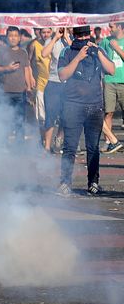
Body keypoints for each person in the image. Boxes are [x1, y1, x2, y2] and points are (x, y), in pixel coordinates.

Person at [56, 25, 115, 196]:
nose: (83, 40)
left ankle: (93, 182)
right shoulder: (67, 52)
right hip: (72, 105)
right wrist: (79, 58)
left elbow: (111, 70)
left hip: (94, 106)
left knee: (93, 148)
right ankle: (65, 182)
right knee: (70, 147)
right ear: (74, 36)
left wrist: (98, 53)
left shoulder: (97, 50)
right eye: (80, 37)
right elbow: (62, 75)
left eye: (86, 36)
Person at [0, 27, 34, 144]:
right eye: (10, 35)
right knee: (5, 119)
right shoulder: (1, 52)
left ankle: (19, 146)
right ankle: (3, 144)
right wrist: (6, 68)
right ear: (7, 37)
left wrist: (29, 87)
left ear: (19, 38)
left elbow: (26, 70)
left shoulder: (23, 53)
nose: (13, 38)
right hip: (5, 91)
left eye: (15, 35)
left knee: (19, 120)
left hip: (20, 92)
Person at [41, 28, 70, 152]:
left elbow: (76, 52)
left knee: (67, 116)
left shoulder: (72, 41)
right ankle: (47, 146)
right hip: (53, 82)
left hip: (69, 84)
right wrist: (55, 38)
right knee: (50, 116)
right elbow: (44, 54)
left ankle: (59, 137)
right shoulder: (52, 40)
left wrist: (67, 38)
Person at [99, 22, 124, 153]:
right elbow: (99, 58)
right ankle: (109, 142)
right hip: (109, 81)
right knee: (108, 112)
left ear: (120, 27)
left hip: (123, 81)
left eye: (112, 27)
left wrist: (117, 48)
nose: (109, 29)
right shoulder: (105, 41)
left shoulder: (117, 42)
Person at [28, 27, 52, 146]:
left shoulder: (56, 43)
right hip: (41, 83)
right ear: (39, 33)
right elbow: (28, 62)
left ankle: (57, 139)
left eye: (48, 32)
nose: (46, 34)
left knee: (58, 116)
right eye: (43, 32)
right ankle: (42, 140)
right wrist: (31, 77)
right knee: (41, 116)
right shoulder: (34, 45)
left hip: (55, 84)